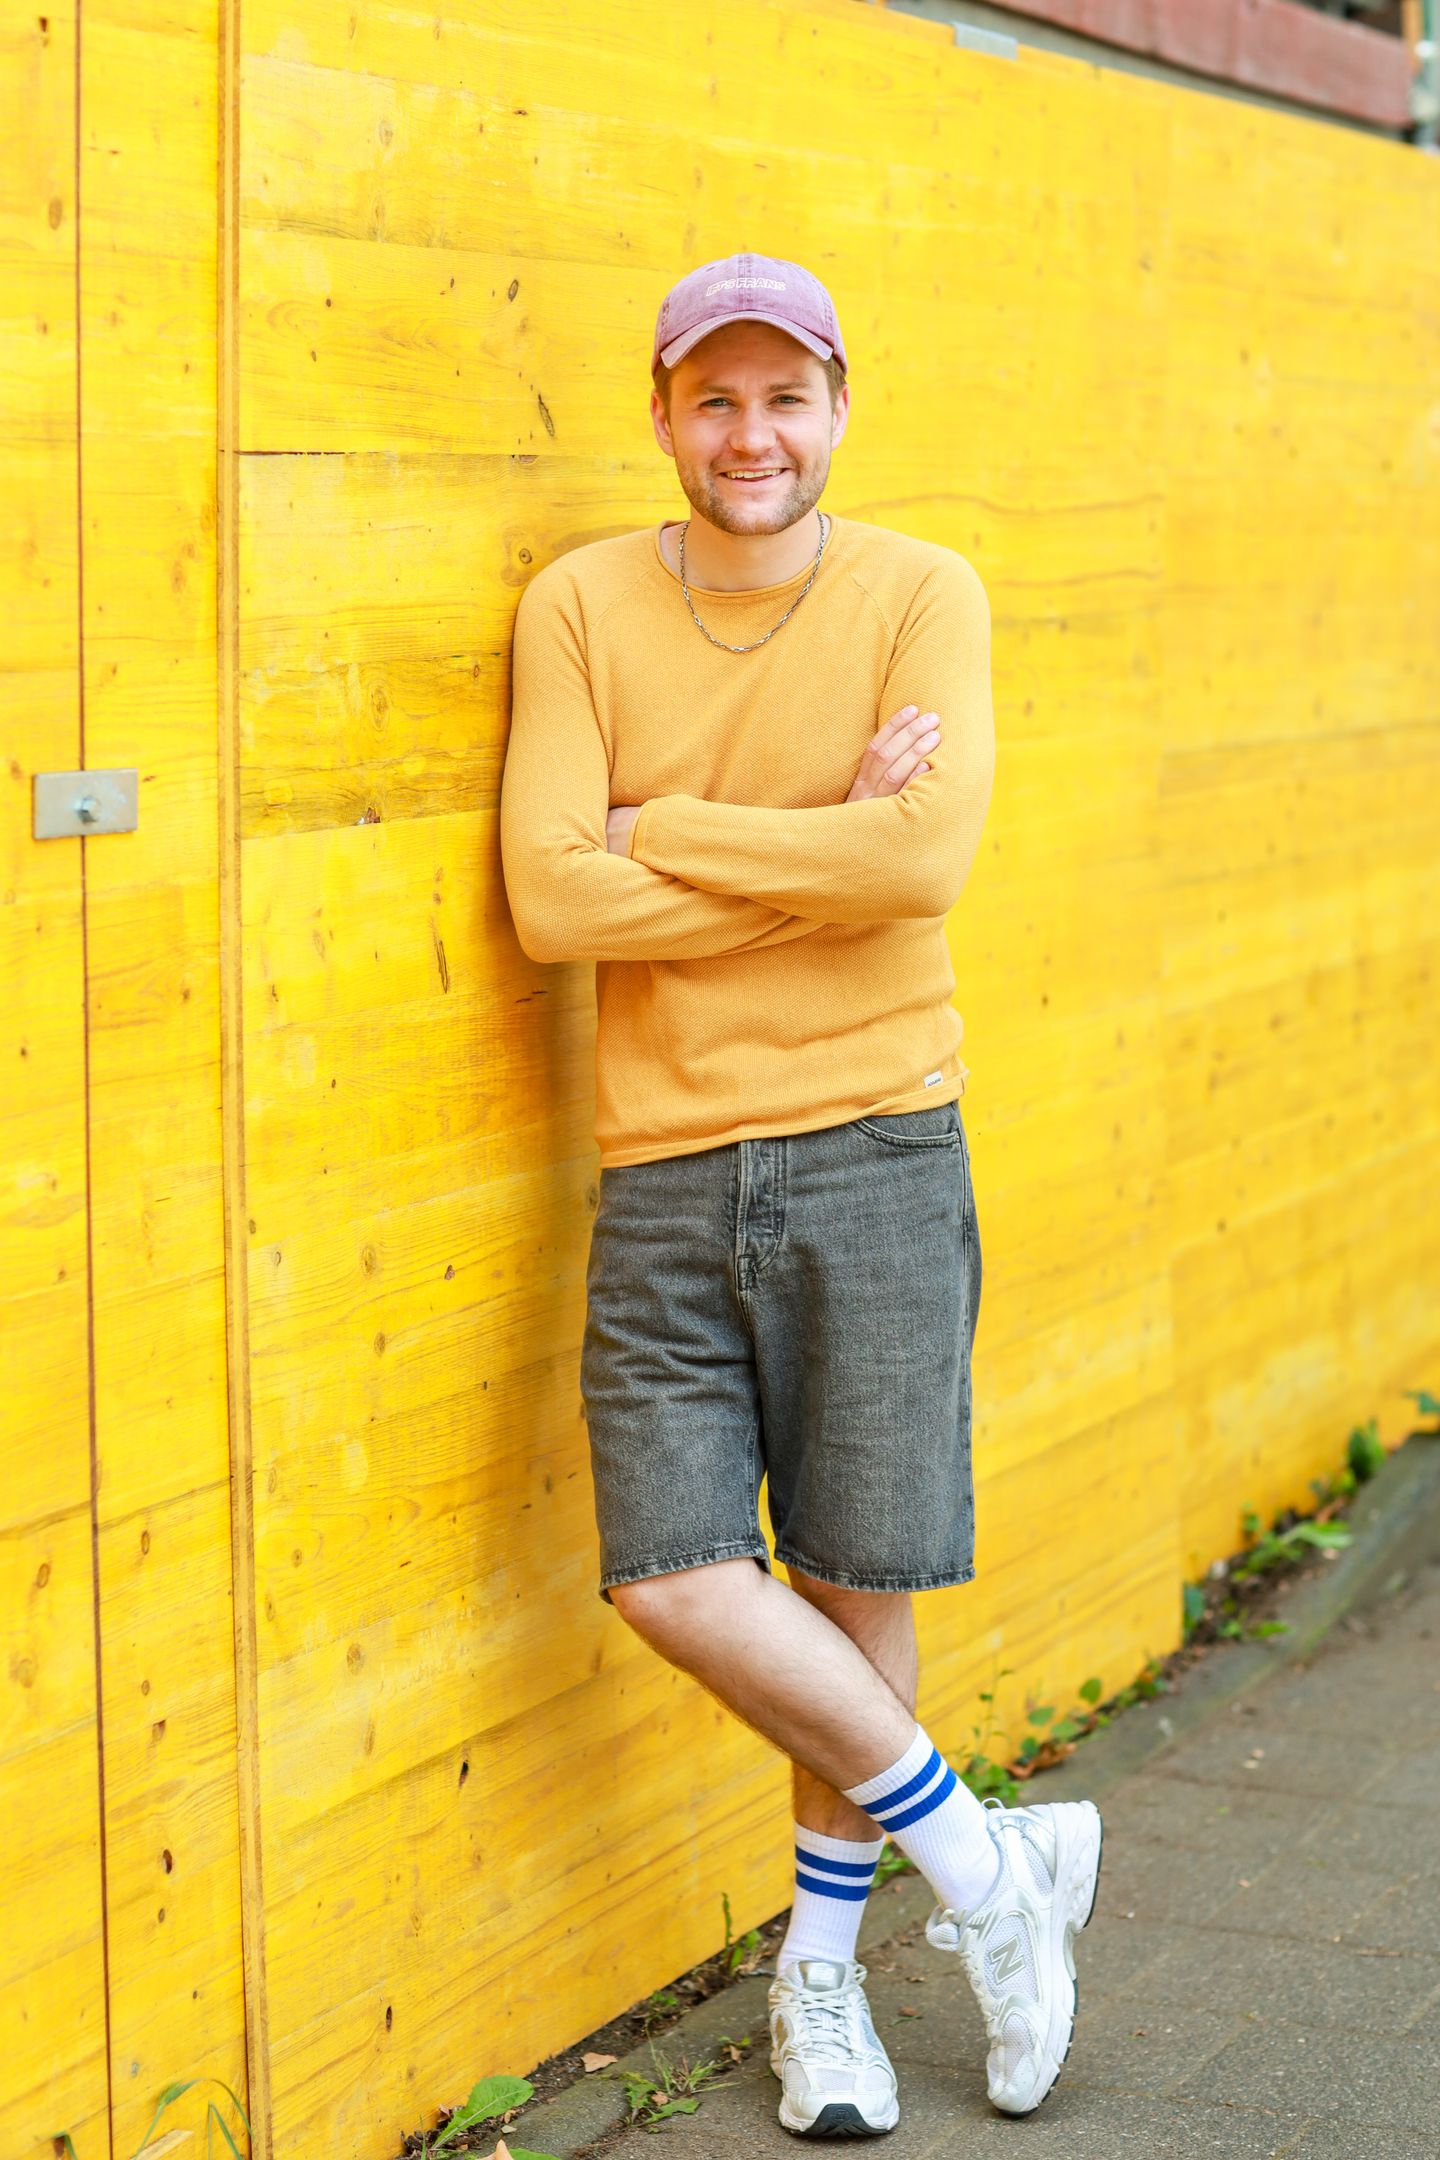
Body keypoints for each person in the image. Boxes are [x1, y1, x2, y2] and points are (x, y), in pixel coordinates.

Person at [500, 251, 1102, 2141]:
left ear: (839, 407)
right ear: (663, 412)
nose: (748, 435)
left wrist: (669, 832)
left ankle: (822, 1988)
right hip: (664, 1165)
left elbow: (920, 868)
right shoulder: (581, 605)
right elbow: (552, 901)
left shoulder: (923, 592)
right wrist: (821, 842)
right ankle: (992, 1868)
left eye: (784, 397)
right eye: (715, 399)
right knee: (674, 1573)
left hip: (878, 1141)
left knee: (854, 1577)